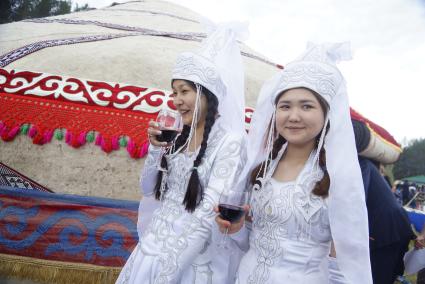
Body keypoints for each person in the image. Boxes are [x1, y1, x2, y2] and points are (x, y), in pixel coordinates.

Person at [216, 42, 373, 283]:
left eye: (307, 106)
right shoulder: (261, 168)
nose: (294, 116)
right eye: (285, 106)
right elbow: (255, 236)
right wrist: (236, 230)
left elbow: (344, 262)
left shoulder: (336, 177)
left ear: (326, 114)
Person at [116, 22, 248, 284]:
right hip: (151, 250)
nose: (176, 100)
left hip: (193, 262)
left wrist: (170, 270)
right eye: (174, 92)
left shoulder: (231, 142)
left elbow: (209, 212)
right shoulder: (178, 137)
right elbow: (147, 188)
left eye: (184, 91)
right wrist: (156, 150)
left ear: (207, 95)